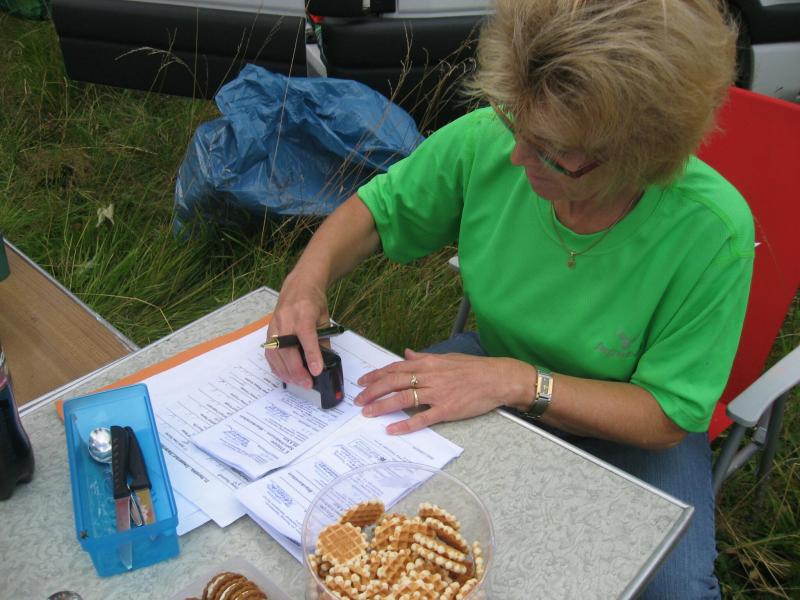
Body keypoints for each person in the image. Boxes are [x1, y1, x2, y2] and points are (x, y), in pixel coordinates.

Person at [265, 1, 753, 597]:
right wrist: (305, 283)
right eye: (515, 122)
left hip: (628, 417)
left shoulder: (711, 230)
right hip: (492, 363)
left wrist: (518, 382)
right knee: (378, 501)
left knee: (671, 589)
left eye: (553, 149)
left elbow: (667, 416)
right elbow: (375, 211)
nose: (518, 156)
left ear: (639, 155)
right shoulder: (490, 141)